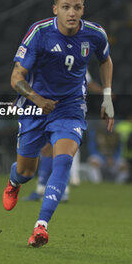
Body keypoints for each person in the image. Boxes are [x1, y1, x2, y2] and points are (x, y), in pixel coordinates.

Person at [2, 0, 114, 247]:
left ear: (82, 9)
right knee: (26, 171)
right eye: (65, 7)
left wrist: (107, 97)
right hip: (35, 106)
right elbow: (16, 76)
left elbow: (105, 60)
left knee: (63, 161)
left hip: (71, 107)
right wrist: (37, 99)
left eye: (77, 7)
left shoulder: (95, 34)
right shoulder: (39, 33)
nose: (71, 13)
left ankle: (41, 227)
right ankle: (14, 180)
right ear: (55, 9)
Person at [23, 72, 103, 202]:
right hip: (50, 108)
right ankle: (42, 189)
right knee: (48, 150)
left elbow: (89, 83)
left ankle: (60, 191)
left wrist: (104, 92)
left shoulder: (76, 61)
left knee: (58, 151)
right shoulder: (56, 59)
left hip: (65, 110)